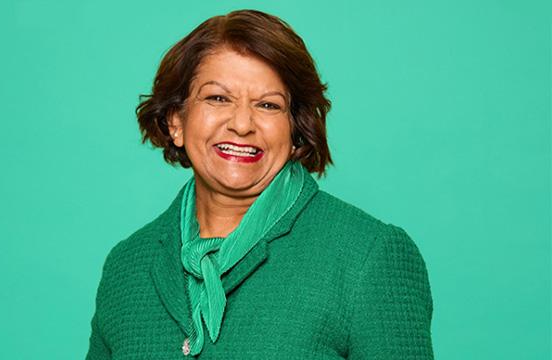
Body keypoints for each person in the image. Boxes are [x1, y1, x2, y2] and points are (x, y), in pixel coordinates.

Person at [85, 9, 434, 360]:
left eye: (268, 105)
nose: (241, 124)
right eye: (218, 98)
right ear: (176, 121)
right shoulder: (127, 264)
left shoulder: (369, 256)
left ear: (295, 129)